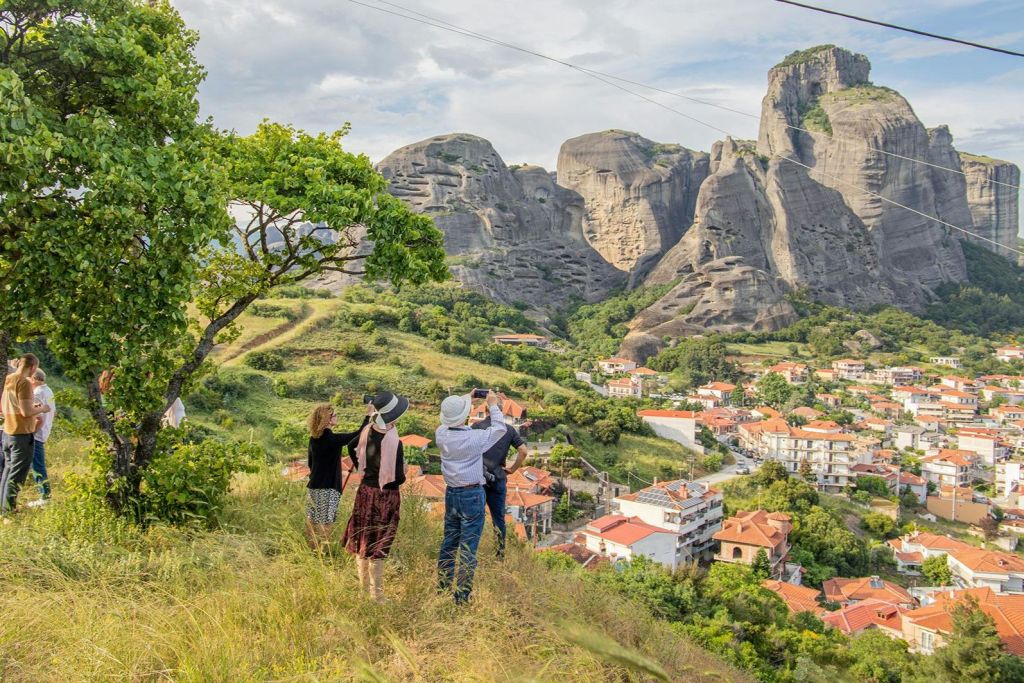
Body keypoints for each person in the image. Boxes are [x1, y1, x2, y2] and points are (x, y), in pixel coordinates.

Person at [435, 390, 507, 605]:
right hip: (472, 495)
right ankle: (461, 596)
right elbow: (500, 428)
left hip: (452, 493)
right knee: (468, 547)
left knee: (449, 542)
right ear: (465, 415)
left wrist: (467, 397)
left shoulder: (441, 434)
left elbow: (453, 415)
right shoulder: (474, 438)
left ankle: (442, 587)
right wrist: (492, 404)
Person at [342, 391, 409, 602]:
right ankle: (377, 595)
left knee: (363, 541)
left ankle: (362, 592)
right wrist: (404, 471)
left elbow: (351, 447)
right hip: (385, 497)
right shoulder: (394, 442)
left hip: (364, 492)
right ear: (393, 416)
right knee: (379, 545)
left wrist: (365, 468)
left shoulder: (367, 431)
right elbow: (396, 480)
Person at [305, 403, 368, 551]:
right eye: (334, 415)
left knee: (312, 521)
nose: (336, 417)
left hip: (313, 487)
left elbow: (310, 463)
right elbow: (358, 435)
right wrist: (368, 416)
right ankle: (323, 555)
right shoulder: (331, 439)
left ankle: (312, 552)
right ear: (327, 420)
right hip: (328, 488)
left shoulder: (314, 439)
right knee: (325, 523)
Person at [472, 406, 528, 558]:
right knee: (498, 519)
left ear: (486, 411)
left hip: (479, 477)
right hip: (498, 477)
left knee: (476, 516)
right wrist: (513, 469)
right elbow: (523, 451)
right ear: (500, 412)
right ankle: (499, 555)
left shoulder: (476, 427)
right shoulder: (508, 430)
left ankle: (472, 553)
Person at [1, 354, 51, 515]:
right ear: (33, 367)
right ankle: (9, 510)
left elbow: (5, 405)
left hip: (8, 432)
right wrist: (42, 409)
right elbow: (26, 411)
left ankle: (3, 507)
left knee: (8, 472)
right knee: (17, 474)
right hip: (21, 433)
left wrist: (30, 405)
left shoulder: (10, 378)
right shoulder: (25, 383)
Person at [28, 368, 55, 506]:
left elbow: (39, 418)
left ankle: (45, 496)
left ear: (34, 379)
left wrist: (30, 432)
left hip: (37, 433)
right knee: (37, 464)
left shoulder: (37, 392)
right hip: (43, 432)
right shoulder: (48, 390)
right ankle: (45, 495)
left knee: (38, 465)